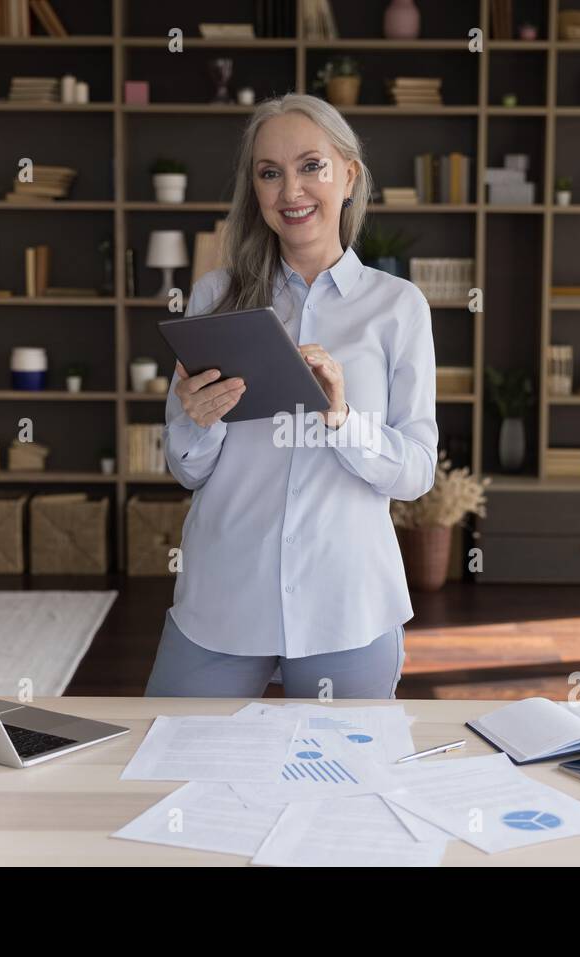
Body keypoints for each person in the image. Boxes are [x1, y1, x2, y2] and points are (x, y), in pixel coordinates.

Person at [144, 93, 438, 700]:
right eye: (270, 173)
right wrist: (198, 424)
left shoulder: (397, 306)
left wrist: (342, 418)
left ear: (349, 175)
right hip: (223, 598)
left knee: (341, 791)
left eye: (311, 166)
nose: (291, 191)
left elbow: (416, 474)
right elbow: (186, 469)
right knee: (170, 770)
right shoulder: (215, 296)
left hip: (347, 603)